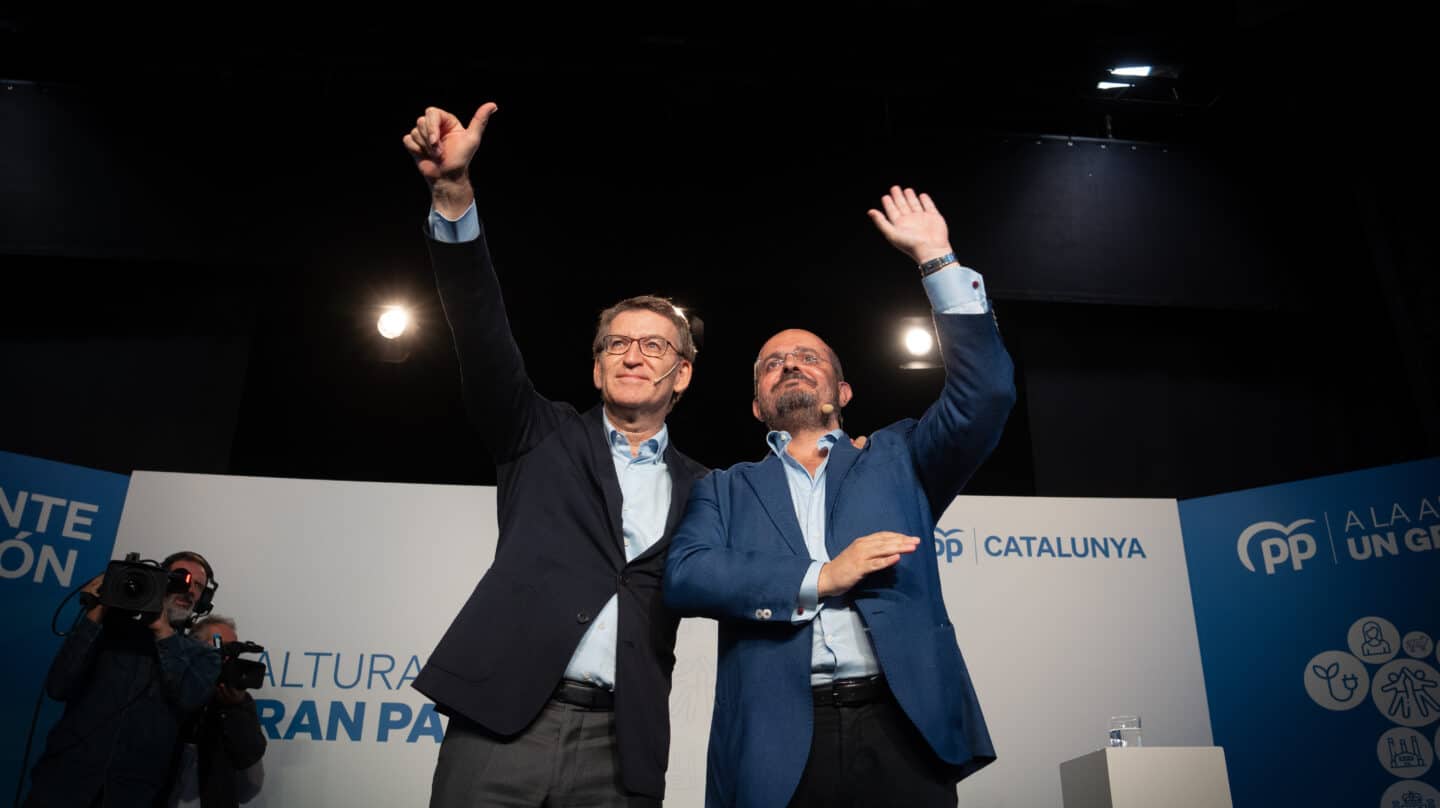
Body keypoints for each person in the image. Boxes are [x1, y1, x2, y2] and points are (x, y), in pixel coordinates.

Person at [664, 187, 1015, 808]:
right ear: (756, 404)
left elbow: (985, 396)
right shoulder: (722, 488)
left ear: (844, 390)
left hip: (902, 726)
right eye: (772, 363)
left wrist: (937, 259)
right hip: (777, 740)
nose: (790, 365)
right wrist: (822, 577)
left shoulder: (901, 455)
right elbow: (689, 576)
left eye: (807, 357)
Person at [402, 102, 709, 807]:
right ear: (597, 367)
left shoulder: (709, 489)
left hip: (623, 741)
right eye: (616, 345)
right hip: (504, 722)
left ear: (683, 373)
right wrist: (452, 196)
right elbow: (481, 333)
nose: (633, 356)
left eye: (655, 346)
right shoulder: (536, 433)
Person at [26, 551, 222, 808]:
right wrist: (97, 612)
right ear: (161, 580)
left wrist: (162, 631)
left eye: (199, 586)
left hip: (133, 795)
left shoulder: (203, 656)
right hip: (62, 784)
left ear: (204, 599)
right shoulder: (108, 631)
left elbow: (190, 698)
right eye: (182, 579)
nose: (190, 591)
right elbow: (58, 686)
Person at [167, 615, 266, 808]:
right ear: (193, 648)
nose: (228, 657)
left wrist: (234, 708)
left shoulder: (238, 701)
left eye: (234, 649)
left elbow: (250, 770)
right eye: (221, 647)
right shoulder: (171, 686)